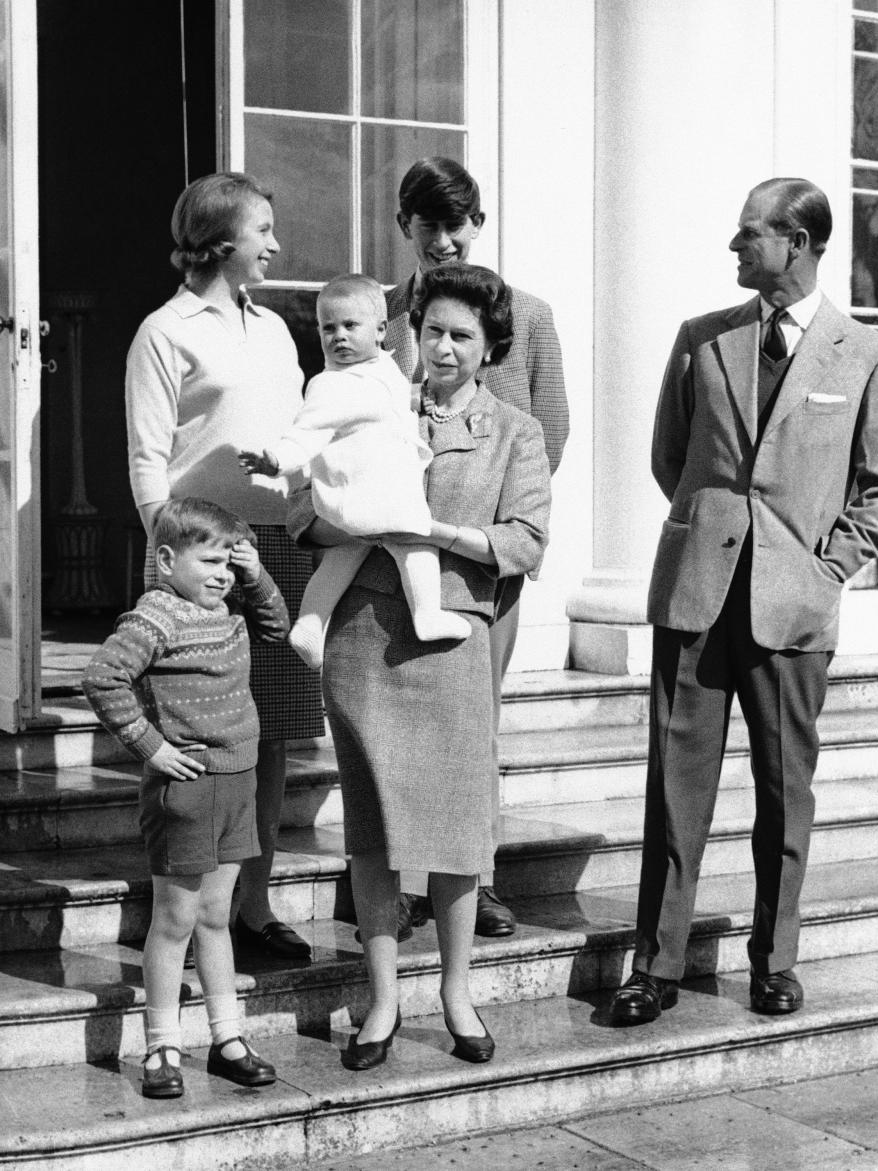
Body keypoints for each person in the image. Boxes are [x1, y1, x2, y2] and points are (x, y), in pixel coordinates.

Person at [609, 178, 878, 1026]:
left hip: (793, 611)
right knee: (674, 791)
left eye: (749, 236)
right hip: (695, 600)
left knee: (785, 794)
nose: (734, 249)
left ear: (799, 242)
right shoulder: (702, 341)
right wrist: (712, 534)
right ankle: (657, 962)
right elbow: (673, 459)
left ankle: (775, 960)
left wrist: (819, 570)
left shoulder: (868, 355)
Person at [321, 262, 550, 1070]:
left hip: (455, 632)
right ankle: (381, 1000)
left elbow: (525, 540)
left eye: (461, 335)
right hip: (364, 639)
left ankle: (457, 993)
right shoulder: (373, 401)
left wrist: (440, 533)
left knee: (457, 827)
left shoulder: (517, 431)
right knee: (374, 830)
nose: (442, 347)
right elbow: (305, 512)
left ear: (490, 347)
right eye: (431, 331)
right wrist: (335, 509)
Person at [126, 172, 323, 962]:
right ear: (220, 239)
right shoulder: (164, 332)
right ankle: (183, 910)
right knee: (193, 734)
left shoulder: (275, 329)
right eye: (263, 229)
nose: (275, 244)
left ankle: (253, 904)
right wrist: (176, 561)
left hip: (276, 548)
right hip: (195, 557)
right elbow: (147, 461)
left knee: (267, 736)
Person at [382, 156, 570, 939]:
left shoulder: (524, 316)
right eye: (430, 228)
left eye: (458, 226)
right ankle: (397, 878)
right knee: (391, 725)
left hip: (482, 557)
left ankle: (475, 879)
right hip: (385, 554)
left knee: (471, 724)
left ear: (479, 225)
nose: (445, 242)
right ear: (407, 229)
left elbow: (551, 427)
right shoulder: (383, 311)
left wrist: (491, 508)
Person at [82, 498, 285, 1097]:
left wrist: (257, 573)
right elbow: (102, 677)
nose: (222, 574)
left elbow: (276, 625)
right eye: (210, 560)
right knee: (175, 921)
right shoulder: (157, 617)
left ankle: (227, 1039)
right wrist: (150, 748)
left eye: (230, 562)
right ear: (167, 560)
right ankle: (162, 1047)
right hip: (188, 791)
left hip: (240, 779)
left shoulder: (231, 607)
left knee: (217, 917)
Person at [238, 273, 470, 668]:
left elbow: (391, 402)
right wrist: (276, 461)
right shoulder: (330, 385)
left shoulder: (383, 369)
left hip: (364, 497)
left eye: (349, 326)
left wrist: (417, 399)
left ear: (381, 331)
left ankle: (310, 623)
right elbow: (304, 434)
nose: (338, 336)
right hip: (374, 494)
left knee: (345, 554)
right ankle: (427, 613)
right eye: (328, 328)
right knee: (417, 542)